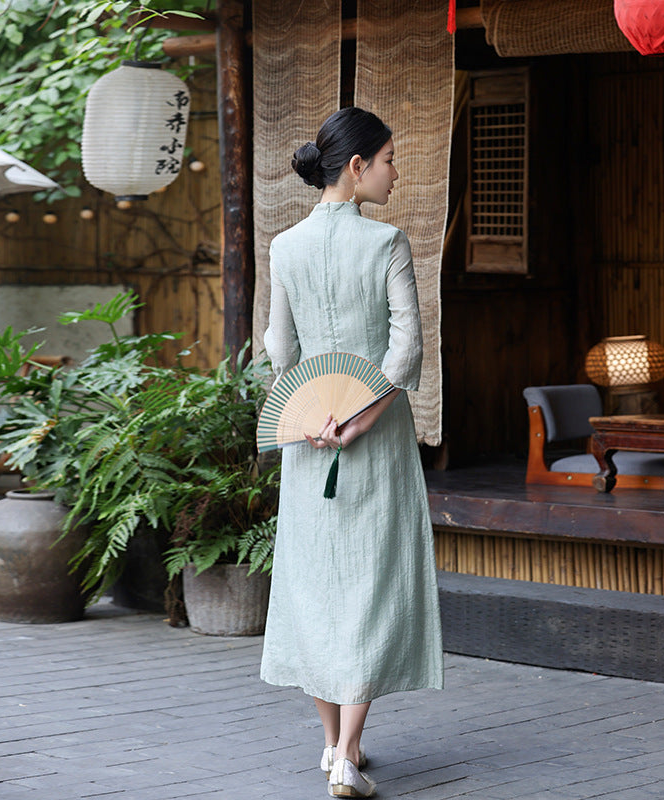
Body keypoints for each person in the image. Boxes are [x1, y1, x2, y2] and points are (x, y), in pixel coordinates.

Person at [259, 107, 444, 798]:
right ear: (358, 165)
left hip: (308, 435)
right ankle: (345, 756)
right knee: (374, 580)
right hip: (375, 434)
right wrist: (364, 418)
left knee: (314, 582)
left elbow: (281, 348)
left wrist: (309, 414)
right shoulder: (386, 242)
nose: (396, 173)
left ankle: (336, 744)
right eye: (390, 159)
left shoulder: (286, 246)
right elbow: (406, 346)